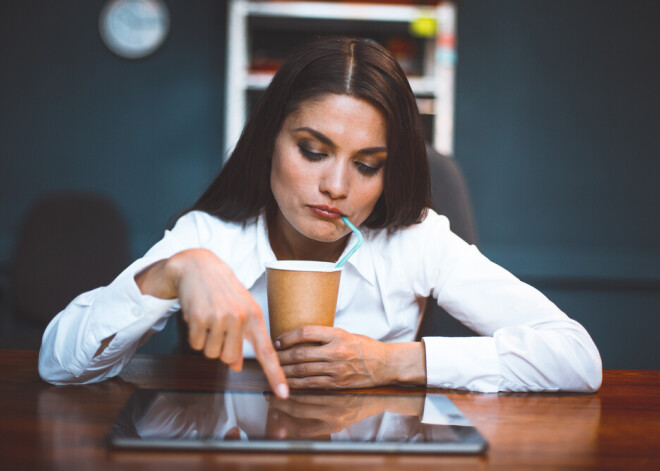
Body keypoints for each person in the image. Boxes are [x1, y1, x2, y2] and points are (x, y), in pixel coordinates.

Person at [38, 37, 602, 398]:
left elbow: (576, 358)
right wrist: (169, 274)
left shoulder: (418, 240)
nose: (336, 186)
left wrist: (391, 362)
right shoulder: (210, 236)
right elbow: (58, 365)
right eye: (313, 151)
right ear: (269, 143)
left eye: (368, 164)